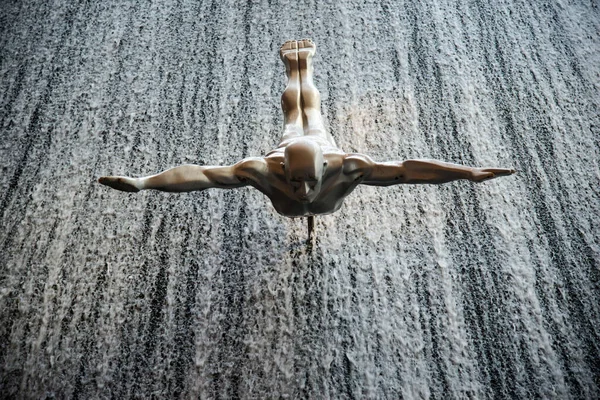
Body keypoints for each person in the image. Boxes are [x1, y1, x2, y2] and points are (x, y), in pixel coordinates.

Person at [99, 39, 515, 224]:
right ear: (280, 167)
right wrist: (143, 183)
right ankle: (296, 65)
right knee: (294, 112)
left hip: (315, 143)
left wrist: (468, 173)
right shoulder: (261, 169)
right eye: (294, 181)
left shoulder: (348, 166)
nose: (300, 191)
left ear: (324, 168)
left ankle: (302, 63)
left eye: (307, 182)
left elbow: (407, 170)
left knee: (306, 109)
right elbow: (202, 176)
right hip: (293, 147)